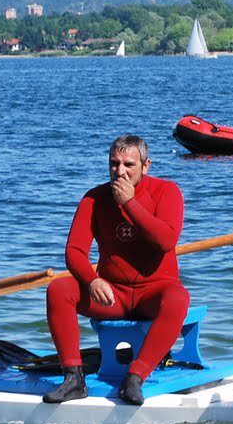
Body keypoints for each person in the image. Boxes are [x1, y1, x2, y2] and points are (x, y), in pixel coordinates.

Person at [42, 135, 187, 406]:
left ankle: (134, 379)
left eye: (128, 164)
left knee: (178, 299)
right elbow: (74, 251)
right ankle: (73, 377)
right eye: (114, 163)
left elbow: (166, 240)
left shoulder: (168, 191)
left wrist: (129, 203)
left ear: (146, 166)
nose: (120, 171)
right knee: (59, 289)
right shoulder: (94, 198)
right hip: (112, 294)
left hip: (152, 292)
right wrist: (92, 280)